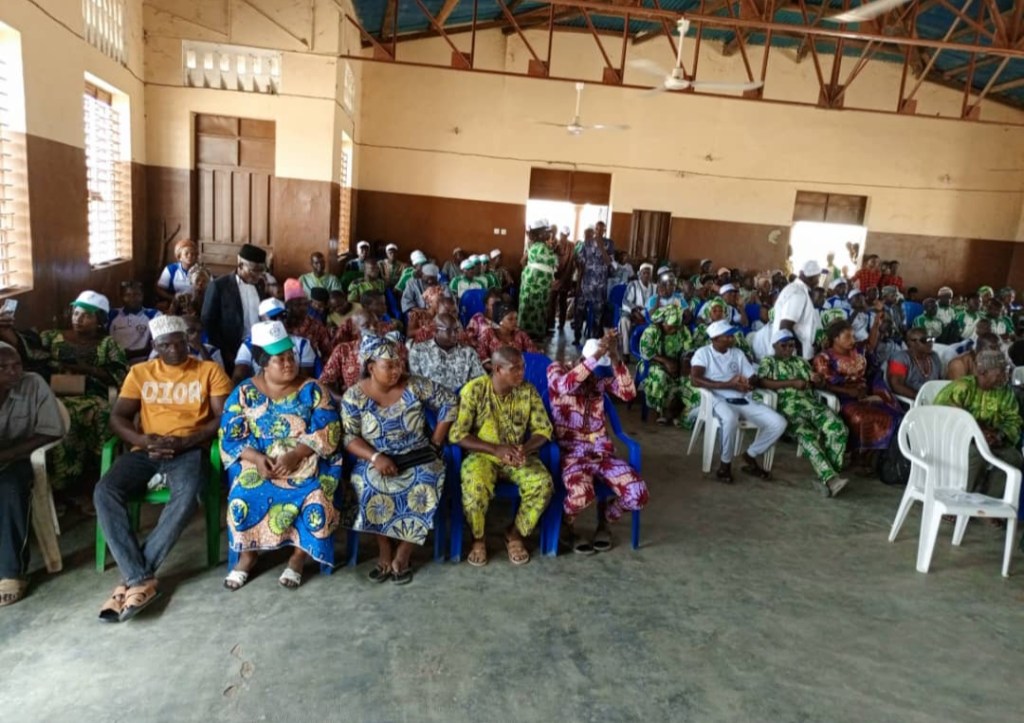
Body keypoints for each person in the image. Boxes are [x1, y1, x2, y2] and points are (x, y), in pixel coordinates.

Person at [94, 316, 231, 622]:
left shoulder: (208, 371)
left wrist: (188, 440)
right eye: (166, 345)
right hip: (147, 449)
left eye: (180, 343)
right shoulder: (140, 373)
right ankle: (139, 578)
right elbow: (118, 418)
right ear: (155, 346)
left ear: (188, 340)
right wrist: (142, 440)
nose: (175, 350)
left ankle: (131, 580)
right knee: (105, 491)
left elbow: (223, 416)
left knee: (187, 495)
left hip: (189, 450)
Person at [220, 321, 342, 590]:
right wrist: (257, 459)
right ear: (264, 363)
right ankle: (248, 555)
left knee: (316, 494)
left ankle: (298, 556)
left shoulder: (312, 389)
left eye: (291, 357)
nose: (288, 364)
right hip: (260, 462)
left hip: (305, 459)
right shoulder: (244, 392)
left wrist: (296, 455)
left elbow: (328, 428)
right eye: (280, 359)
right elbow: (231, 434)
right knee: (243, 495)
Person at [341, 335, 457, 584]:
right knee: (366, 485)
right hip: (374, 457)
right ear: (371, 367)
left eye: (399, 364)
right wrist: (375, 457)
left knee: (425, 482)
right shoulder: (354, 396)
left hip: (417, 453)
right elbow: (349, 436)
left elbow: (450, 401)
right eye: (389, 366)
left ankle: (404, 551)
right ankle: (384, 549)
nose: (396, 370)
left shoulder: (415, 385)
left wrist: (436, 441)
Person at [2, 291, 128, 498]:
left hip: (91, 394)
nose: (78, 319)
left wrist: (85, 369)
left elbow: (119, 374)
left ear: (99, 320)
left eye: (87, 316)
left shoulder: (108, 344)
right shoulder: (51, 337)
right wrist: (7, 331)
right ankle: (58, 487)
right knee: (53, 415)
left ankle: (92, 479)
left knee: (99, 412)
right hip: (51, 393)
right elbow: (28, 352)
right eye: (76, 313)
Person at [449, 346, 554, 567]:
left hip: (516, 456)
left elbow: (543, 429)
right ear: (498, 369)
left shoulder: (527, 391)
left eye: (523, 367)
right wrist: (495, 449)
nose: (522, 372)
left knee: (543, 484)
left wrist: (525, 449)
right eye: (515, 368)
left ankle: (514, 534)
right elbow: (457, 434)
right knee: (475, 487)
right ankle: (478, 538)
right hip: (482, 456)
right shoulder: (474, 390)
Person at [547, 333, 648, 553]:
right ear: (584, 360)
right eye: (594, 368)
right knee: (581, 495)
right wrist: (598, 354)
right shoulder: (557, 369)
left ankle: (605, 519)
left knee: (638, 493)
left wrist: (615, 358)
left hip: (602, 453)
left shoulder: (599, 379)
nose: (596, 376)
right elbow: (565, 386)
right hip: (572, 454)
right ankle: (566, 525)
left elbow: (628, 393)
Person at [0, 343, 66, 607]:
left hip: (20, 458)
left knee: (9, 488)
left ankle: (11, 573)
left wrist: (8, 455)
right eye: (3, 367)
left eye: (16, 365)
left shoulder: (33, 384)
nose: (13, 372)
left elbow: (52, 430)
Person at [691, 320, 788, 483]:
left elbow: (752, 376)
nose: (732, 339)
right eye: (727, 336)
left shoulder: (737, 353)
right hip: (716, 398)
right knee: (729, 418)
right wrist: (728, 384)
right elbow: (695, 379)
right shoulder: (703, 353)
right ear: (715, 339)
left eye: (732, 335)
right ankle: (725, 466)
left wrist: (749, 383)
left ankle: (750, 455)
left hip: (741, 398)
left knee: (779, 423)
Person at [758, 329, 849, 497]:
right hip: (787, 409)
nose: (788, 349)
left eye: (791, 345)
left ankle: (829, 477)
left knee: (838, 428)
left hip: (812, 405)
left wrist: (817, 379)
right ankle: (830, 479)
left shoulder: (800, 362)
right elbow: (762, 382)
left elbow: (814, 381)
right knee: (807, 436)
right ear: (775, 345)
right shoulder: (769, 361)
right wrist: (791, 383)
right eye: (784, 346)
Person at [813, 320, 903, 472]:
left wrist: (876, 321)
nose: (852, 340)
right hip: (842, 398)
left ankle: (875, 457)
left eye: (853, 336)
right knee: (862, 418)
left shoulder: (858, 351)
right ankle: (858, 457)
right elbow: (823, 384)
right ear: (835, 338)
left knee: (895, 415)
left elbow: (871, 343)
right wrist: (847, 391)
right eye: (847, 337)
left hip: (864, 395)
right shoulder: (824, 358)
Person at [934, 350, 1023, 495]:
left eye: (1006, 372)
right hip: (958, 441)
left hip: (992, 440)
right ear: (982, 372)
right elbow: (941, 417)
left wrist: (999, 436)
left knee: (1013, 458)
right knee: (976, 455)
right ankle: (959, 498)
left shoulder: (1005, 392)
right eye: (1000, 373)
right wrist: (976, 435)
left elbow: (1014, 420)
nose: (1005, 377)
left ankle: (990, 501)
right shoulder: (962, 387)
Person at [201, 243, 267, 373]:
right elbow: (208, 322)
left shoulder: (260, 284)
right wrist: (225, 352)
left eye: (262, 270)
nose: (259, 275)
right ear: (241, 265)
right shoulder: (219, 286)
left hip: (258, 345)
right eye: (255, 270)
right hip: (231, 349)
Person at [233, 298, 318, 383]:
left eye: (283, 316)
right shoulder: (250, 344)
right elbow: (238, 377)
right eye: (273, 317)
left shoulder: (302, 344)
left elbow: (305, 380)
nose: (279, 320)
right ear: (261, 319)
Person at [640, 304, 697, 426]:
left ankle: (678, 413)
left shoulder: (682, 330)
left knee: (689, 382)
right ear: (663, 322)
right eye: (671, 326)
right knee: (660, 376)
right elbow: (646, 352)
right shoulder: (652, 331)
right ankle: (657, 410)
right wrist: (665, 361)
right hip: (653, 362)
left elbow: (689, 350)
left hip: (678, 363)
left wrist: (683, 365)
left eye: (676, 326)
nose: (674, 329)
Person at [409, 313, 486, 392]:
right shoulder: (418, 352)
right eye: (449, 331)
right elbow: (417, 386)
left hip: (464, 398)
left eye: (456, 330)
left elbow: (481, 381)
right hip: (432, 398)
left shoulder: (468, 353)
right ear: (435, 331)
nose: (454, 334)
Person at [772, 260, 822, 360]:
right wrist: (799, 351)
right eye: (818, 277)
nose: (818, 281)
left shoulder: (797, 289)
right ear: (812, 278)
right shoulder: (798, 293)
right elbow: (785, 326)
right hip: (795, 355)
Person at [519, 219, 558, 339]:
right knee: (534, 307)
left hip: (539, 284)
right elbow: (554, 261)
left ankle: (532, 334)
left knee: (537, 308)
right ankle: (530, 336)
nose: (549, 234)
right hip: (535, 284)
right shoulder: (539, 247)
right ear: (540, 233)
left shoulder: (539, 245)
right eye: (546, 231)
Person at [108, 281, 162, 364]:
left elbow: (159, 344)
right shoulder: (112, 314)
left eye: (137, 295)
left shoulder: (153, 315)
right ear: (121, 297)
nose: (132, 299)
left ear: (142, 296)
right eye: (127, 295)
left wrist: (132, 354)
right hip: (115, 362)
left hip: (143, 362)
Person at [573, 227, 611, 341]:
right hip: (586, 285)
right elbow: (580, 265)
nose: (599, 231)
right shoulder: (586, 244)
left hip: (600, 287)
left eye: (602, 229)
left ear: (604, 231)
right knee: (579, 310)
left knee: (598, 314)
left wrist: (601, 247)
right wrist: (578, 284)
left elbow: (609, 262)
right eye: (597, 229)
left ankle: (594, 339)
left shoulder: (609, 244)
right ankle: (577, 336)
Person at [283, 279, 332, 359]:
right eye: (297, 304)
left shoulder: (316, 326)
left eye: (305, 304)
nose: (302, 308)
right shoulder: (281, 326)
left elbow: (328, 353)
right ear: (288, 306)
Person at [888, 329, 942, 402]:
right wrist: (921, 398)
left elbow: (939, 381)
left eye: (931, 339)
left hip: (934, 398)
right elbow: (896, 386)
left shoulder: (934, 356)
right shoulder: (900, 358)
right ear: (911, 343)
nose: (930, 343)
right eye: (924, 340)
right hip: (912, 401)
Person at [619, 262, 656, 357]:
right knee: (624, 321)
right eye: (644, 273)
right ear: (640, 274)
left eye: (648, 273)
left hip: (649, 313)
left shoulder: (655, 287)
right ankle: (626, 352)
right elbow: (626, 301)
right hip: (633, 312)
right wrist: (635, 311)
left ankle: (650, 352)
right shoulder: (633, 285)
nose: (646, 275)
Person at [155, 239, 199, 304]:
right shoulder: (171, 269)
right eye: (186, 253)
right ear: (179, 256)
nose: (190, 256)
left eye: (193, 254)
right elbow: (159, 289)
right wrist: (173, 298)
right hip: (175, 303)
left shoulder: (201, 271)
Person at [550, 227, 576, 332]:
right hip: (562, 279)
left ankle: (555, 323)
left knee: (556, 301)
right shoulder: (562, 245)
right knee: (559, 302)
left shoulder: (561, 245)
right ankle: (558, 323)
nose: (563, 237)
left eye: (564, 235)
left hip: (559, 279)